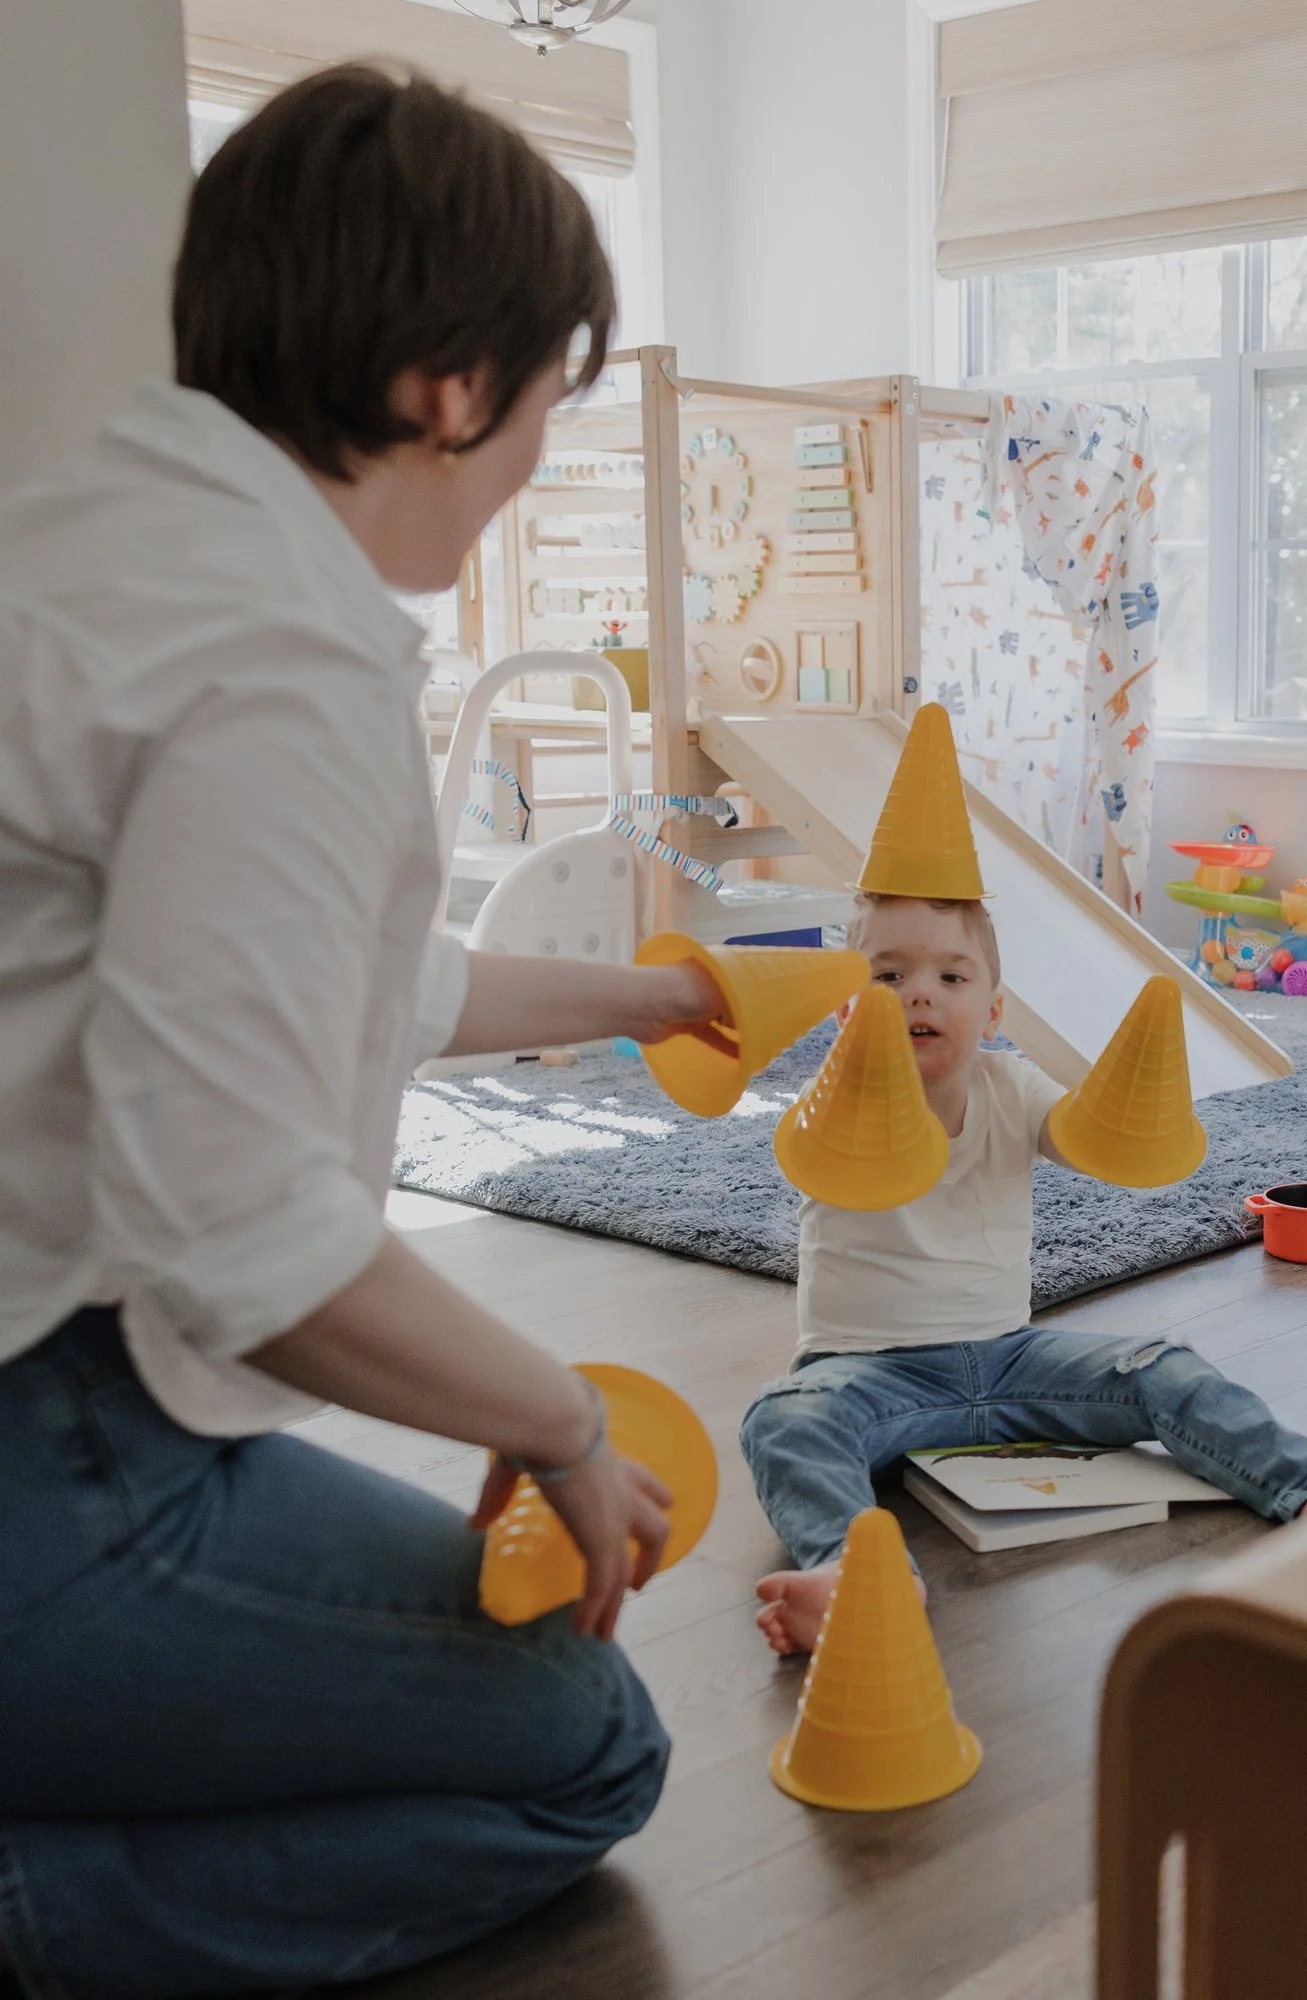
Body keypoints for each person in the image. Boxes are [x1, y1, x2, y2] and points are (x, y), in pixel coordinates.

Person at [0, 68, 736, 1999]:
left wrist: (654, 994)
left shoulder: (91, 544)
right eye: (547, 405)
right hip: (49, 1448)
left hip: (60, 1399)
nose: (534, 465)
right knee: (587, 1746)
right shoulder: (279, 650)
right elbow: (237, 1240)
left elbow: (338, 984)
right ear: (446, 383)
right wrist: (554, 1417)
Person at [742, 893, 1307, 1655]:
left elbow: (1084, 1137)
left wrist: (1133, 1113)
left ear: (993, 1011)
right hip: (865, 1373)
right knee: (784, 1422)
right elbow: (822, 1154)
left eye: (952, 978)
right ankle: (860, 1578)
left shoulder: (1010, 1086)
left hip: (1009, 1359)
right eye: (888, 977)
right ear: (847, 1012)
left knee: (1160, 1366)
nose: (920, 992)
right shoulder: (833, 1107)